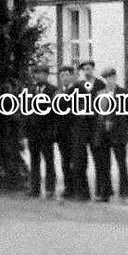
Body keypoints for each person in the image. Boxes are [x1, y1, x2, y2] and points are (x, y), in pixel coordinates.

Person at [94, 67, 128, 203]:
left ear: (115, 78)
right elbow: (98, 114)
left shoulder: (124, 94)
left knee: (121, 164)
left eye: (111, 77)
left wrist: (124, 128)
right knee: (104, 165)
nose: (109, 80)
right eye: (106, 78)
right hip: (103, 134)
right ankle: (105, 193)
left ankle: (124, 194)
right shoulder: (100, 93)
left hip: (118, 134)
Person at [69, 59, 104, 202]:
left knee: (99, 161)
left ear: (93, 69)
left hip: (96, 127)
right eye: (85, 69)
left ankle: (101, 192)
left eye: (89, 68)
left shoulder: (101, 85)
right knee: (80, 161)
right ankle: (83, 193)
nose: (87, 71)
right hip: (82, 128)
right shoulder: (77, 86)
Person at [22, 63, 58, 199]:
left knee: (49, 161)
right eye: (36, 73)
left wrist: (53, 132)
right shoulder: (30, 90)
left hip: (46, 132)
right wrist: (26, 131)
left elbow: (55, 113)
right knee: (34, 161)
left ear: (47, 75)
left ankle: (50, 189)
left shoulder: (53, 91)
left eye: (41, 73)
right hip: (33, 133)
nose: (38, 76)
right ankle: (35, 188)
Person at [53, 64, 78, 200]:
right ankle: (68, 188)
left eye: (66, 75)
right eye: (61, 76)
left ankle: (76, 188)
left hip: (74, 132)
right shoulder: (58, 92)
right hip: (62, 133)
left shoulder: (77, 91)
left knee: (76, 161)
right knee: (65, 162)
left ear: (72, 76)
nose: (64, 78)